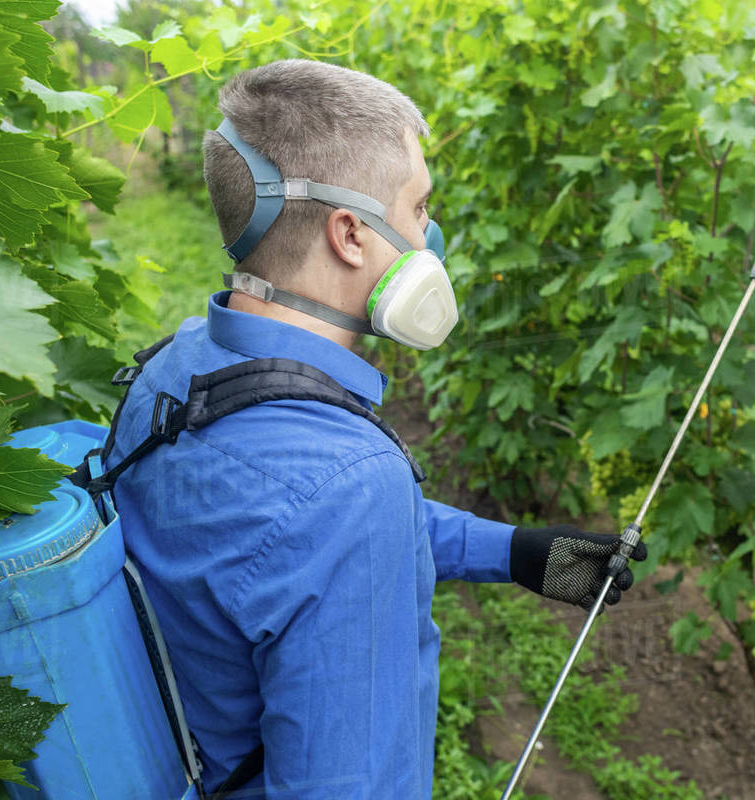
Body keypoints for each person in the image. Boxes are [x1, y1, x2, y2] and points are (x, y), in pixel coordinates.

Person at [105, 59, 646, 799]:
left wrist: (514, 552)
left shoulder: (171, 368)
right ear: (351, 235)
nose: (432, 234)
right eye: (420, 207)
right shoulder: (349, 487)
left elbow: (272, 546)